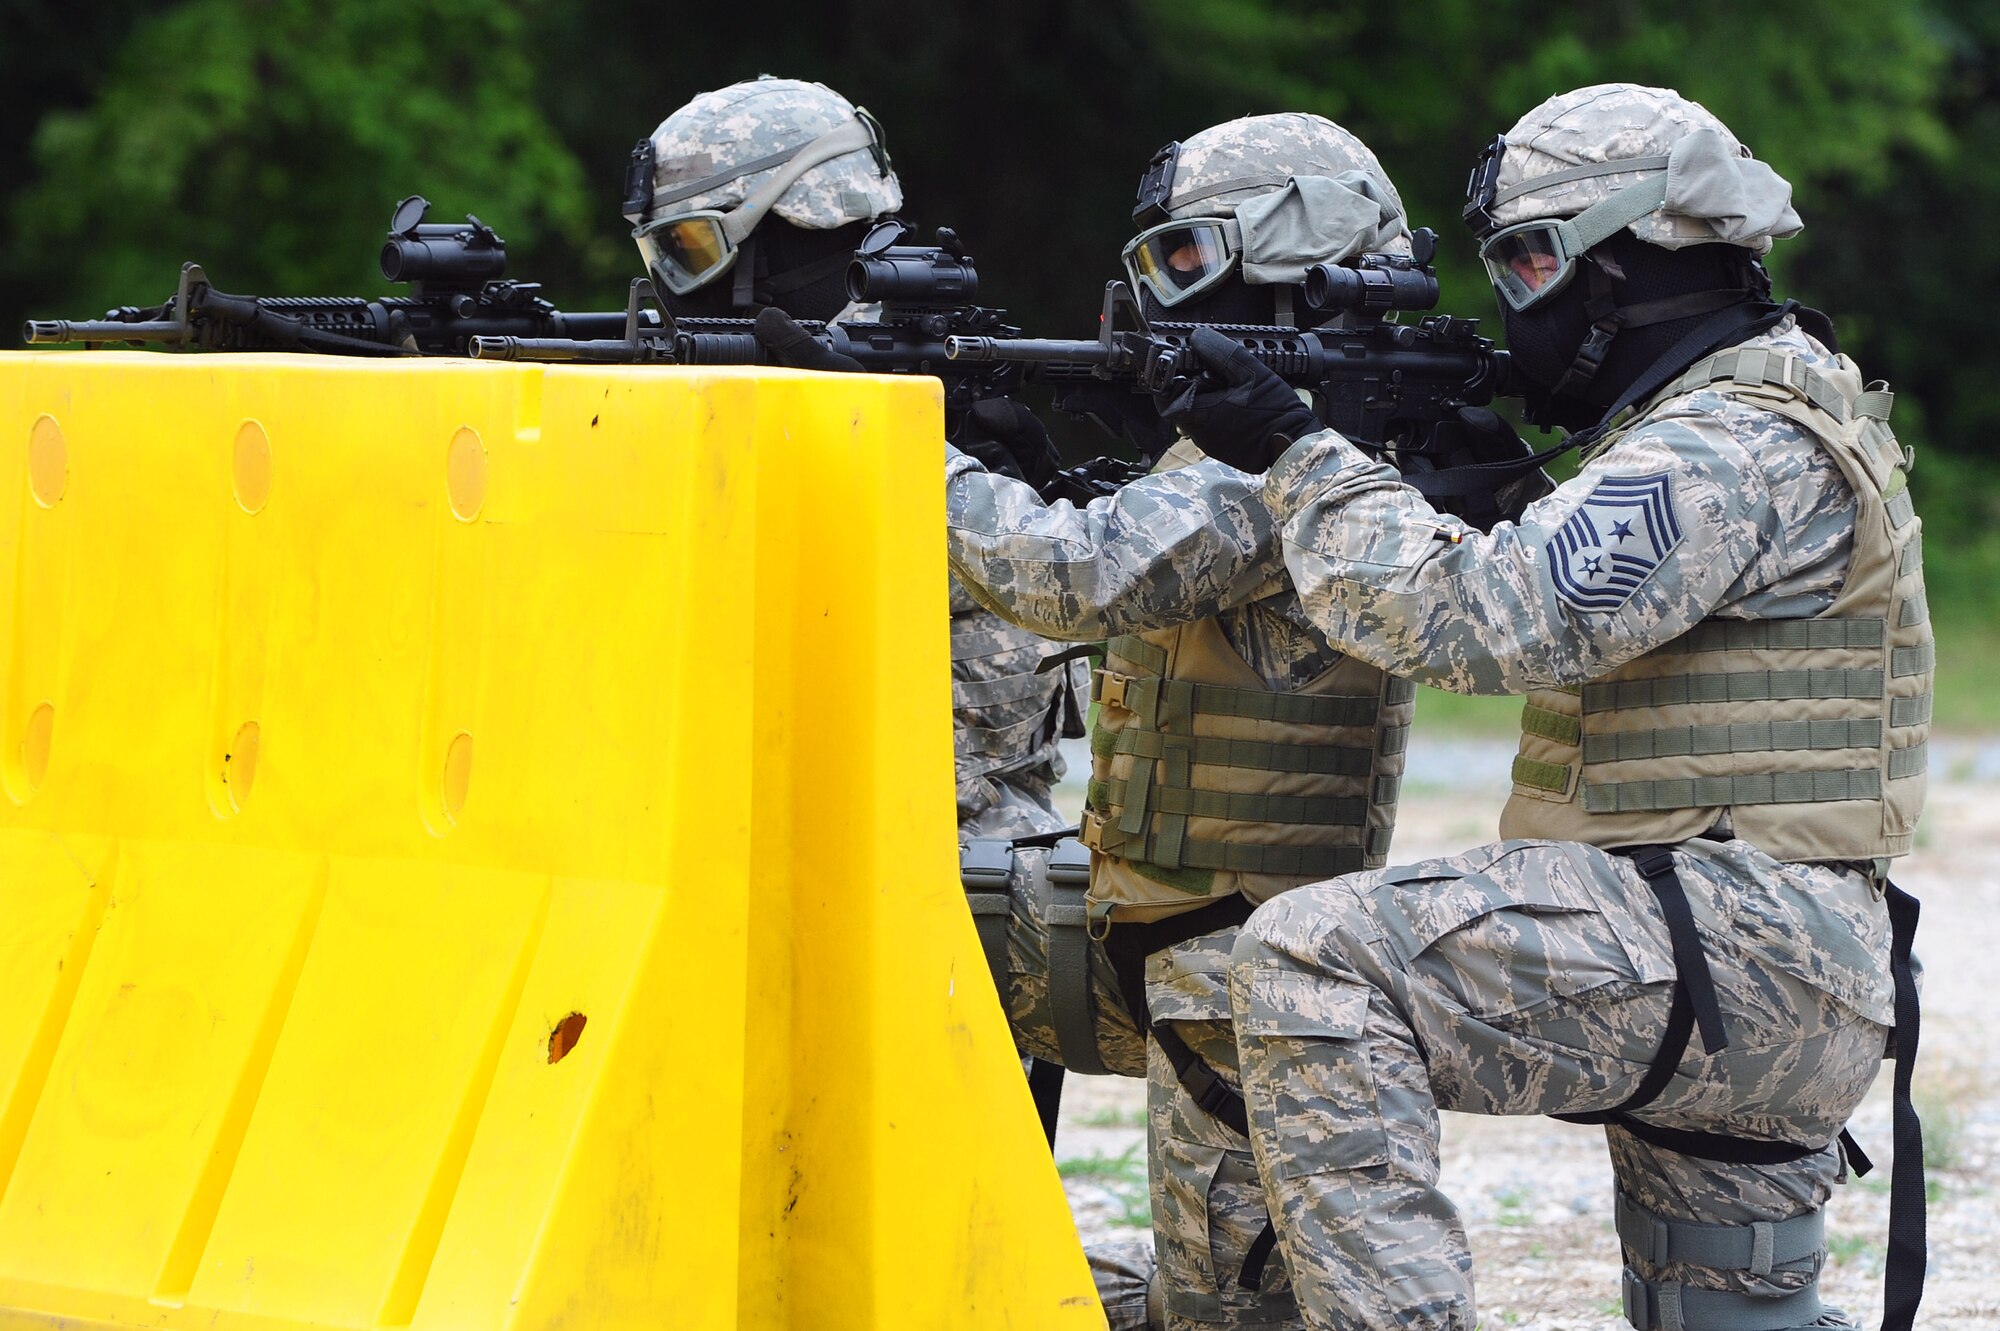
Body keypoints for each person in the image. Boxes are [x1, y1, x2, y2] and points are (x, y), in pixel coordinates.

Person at [1170, 84, 1927, 1331]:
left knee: (1318, 955)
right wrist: (1457, 481)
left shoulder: (1725, 439)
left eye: (1531, 261)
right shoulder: (1765, 402)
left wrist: (1300, 454)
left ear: (1629, 262)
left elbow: (1486, 622)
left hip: (1735, 950)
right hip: (1775, 961)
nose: (1516, 299)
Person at [943, 113, 1441, 1331]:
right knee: (866, 919)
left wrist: (912, 445)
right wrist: (1039, 460)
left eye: (1179, 260)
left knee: (1223, 1315)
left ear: (1282, 253)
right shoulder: (1266, 444)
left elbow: (1076, 575)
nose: (1153, 295)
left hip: (1232, 966)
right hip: (1134, 921)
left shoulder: (1303, 457)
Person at [623, 75, 1088, 842]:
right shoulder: (790, 378)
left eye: (690, 248)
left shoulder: (921, 384)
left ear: (792, 222)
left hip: (957, 862)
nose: (672, 289)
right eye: (661, 252)